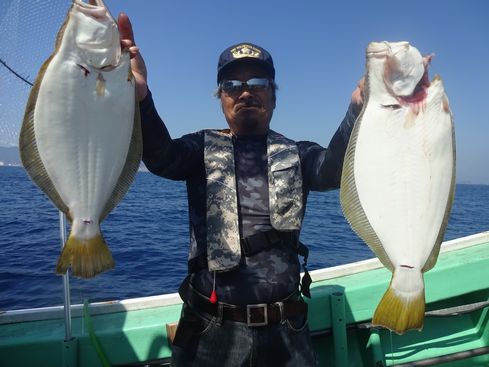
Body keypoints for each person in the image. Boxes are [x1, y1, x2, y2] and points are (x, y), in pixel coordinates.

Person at [119, 13, 363, 367]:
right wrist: (141, 97)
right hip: (209, 330)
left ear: (274, 96)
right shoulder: (199, 148)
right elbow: (161, 158)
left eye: (258, 82)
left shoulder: (299, 153)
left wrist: (356, 110)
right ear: (220, 98)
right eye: (232, 86)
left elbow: (335, 170)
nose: (245, 91)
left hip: (286, 331)